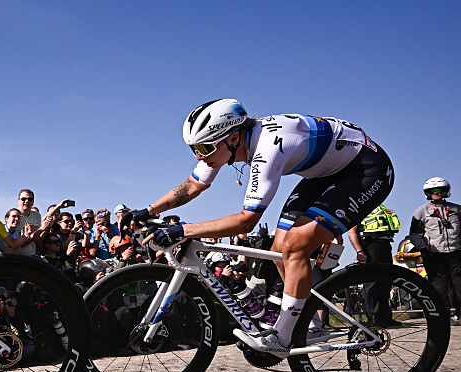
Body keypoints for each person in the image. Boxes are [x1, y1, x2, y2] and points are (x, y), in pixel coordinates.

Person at [132, 99, 394, 357]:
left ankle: (282, 338)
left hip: (366, 170)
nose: (200, 156)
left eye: (203, 147)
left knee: (295, 245)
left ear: (233, 138)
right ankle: (310, 324)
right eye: (194, 149)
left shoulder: (268, 148)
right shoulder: (225, 144)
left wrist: (184, 230)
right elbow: (192, 185)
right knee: (279, 250)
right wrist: (149, 210)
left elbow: (247, 221)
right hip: (324, 173)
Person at [409, 177, 461, 325]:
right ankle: (441, 317)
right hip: (433, 255)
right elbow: (414, 234)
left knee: (458, 284)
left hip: (456, 254)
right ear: (427, 193)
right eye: (433, 191)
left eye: (440, 190)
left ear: (446, 191)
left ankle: (459, 314)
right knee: (439, 286)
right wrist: (423, 248)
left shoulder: (457, 209)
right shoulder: (421, 212)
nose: (436, 193)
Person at [349, 203, 402, 327]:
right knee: (372, 283)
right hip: (370, 245)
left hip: (384, 244)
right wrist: (359, 251)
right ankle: (373, 318)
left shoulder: (381, 208)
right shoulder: (357, 209)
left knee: (386, 282)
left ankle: (385, 317)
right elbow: (351, 232)